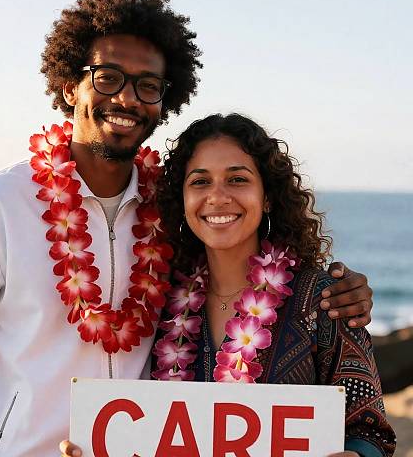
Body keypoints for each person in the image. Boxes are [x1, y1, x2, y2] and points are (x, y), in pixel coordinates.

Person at [0, 0, 373, 457]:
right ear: (71, 86)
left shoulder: (170, 211)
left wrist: (343, 289)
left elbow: (238, 266)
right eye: (108, 77)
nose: (128, 99)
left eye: (147, 86)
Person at [150, 114, 394, 456]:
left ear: (267, 197)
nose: (217, 197)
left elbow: (372, 434)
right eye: (200, 182)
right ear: (183, 199)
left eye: (237, 179)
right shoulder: (160, 305)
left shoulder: (322, 299)